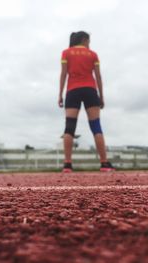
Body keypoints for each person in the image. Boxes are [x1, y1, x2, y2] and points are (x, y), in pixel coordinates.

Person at [58, 31, 115, 173]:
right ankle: (104, 163)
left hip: (72, 91)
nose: (89, 44)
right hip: (90, 90)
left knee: (69, 127)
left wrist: (60, 94)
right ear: (84, 40)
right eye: (88, 41)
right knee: (96, 127)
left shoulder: (66, 53)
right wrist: (101, 96)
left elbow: (63, 74)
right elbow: (99, 77)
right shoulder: (93, 54)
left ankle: (67, 165)